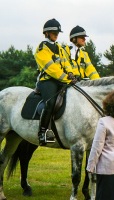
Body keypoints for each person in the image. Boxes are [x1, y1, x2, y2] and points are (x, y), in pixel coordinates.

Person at [34, 18, 76, 146]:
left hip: (62, 80)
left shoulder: (59, 47)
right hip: (47, 81)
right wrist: (66, 78)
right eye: (53, 32)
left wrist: (70, 73)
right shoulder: (42, 48)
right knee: (50, 102)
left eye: (57, 33)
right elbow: (51, 68)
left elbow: (65, 62)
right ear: (46, 33)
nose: (56, 35)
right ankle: (42, 132)